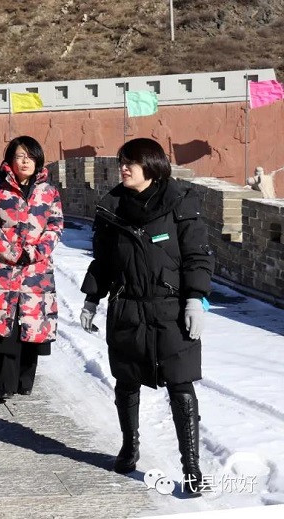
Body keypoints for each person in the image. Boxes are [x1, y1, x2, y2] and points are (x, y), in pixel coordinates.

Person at [78, 138, 214, 496]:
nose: (124, 168)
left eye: (131, 163)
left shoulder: (179, 203)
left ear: (151, 166)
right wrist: (91, 299)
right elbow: (104, 261)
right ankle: (129, 446)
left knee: (181, 385)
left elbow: (197, 256)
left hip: (171, 310)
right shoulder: (112, 208)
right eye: (122, 162)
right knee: (126, 381)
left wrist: (195, 300)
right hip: (127, 308)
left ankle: (191, 467)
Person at [0, 136, 62, 401]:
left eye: (30, 157)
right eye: (20, 156)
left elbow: (55, 225)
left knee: (32, 326)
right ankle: (4, 385)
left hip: (36, 271)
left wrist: (35, 252)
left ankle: (25, 382)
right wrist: (10, 251)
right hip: (2, 268)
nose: (25, 162)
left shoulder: (48, 191)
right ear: (10, 158)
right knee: (4, 328)